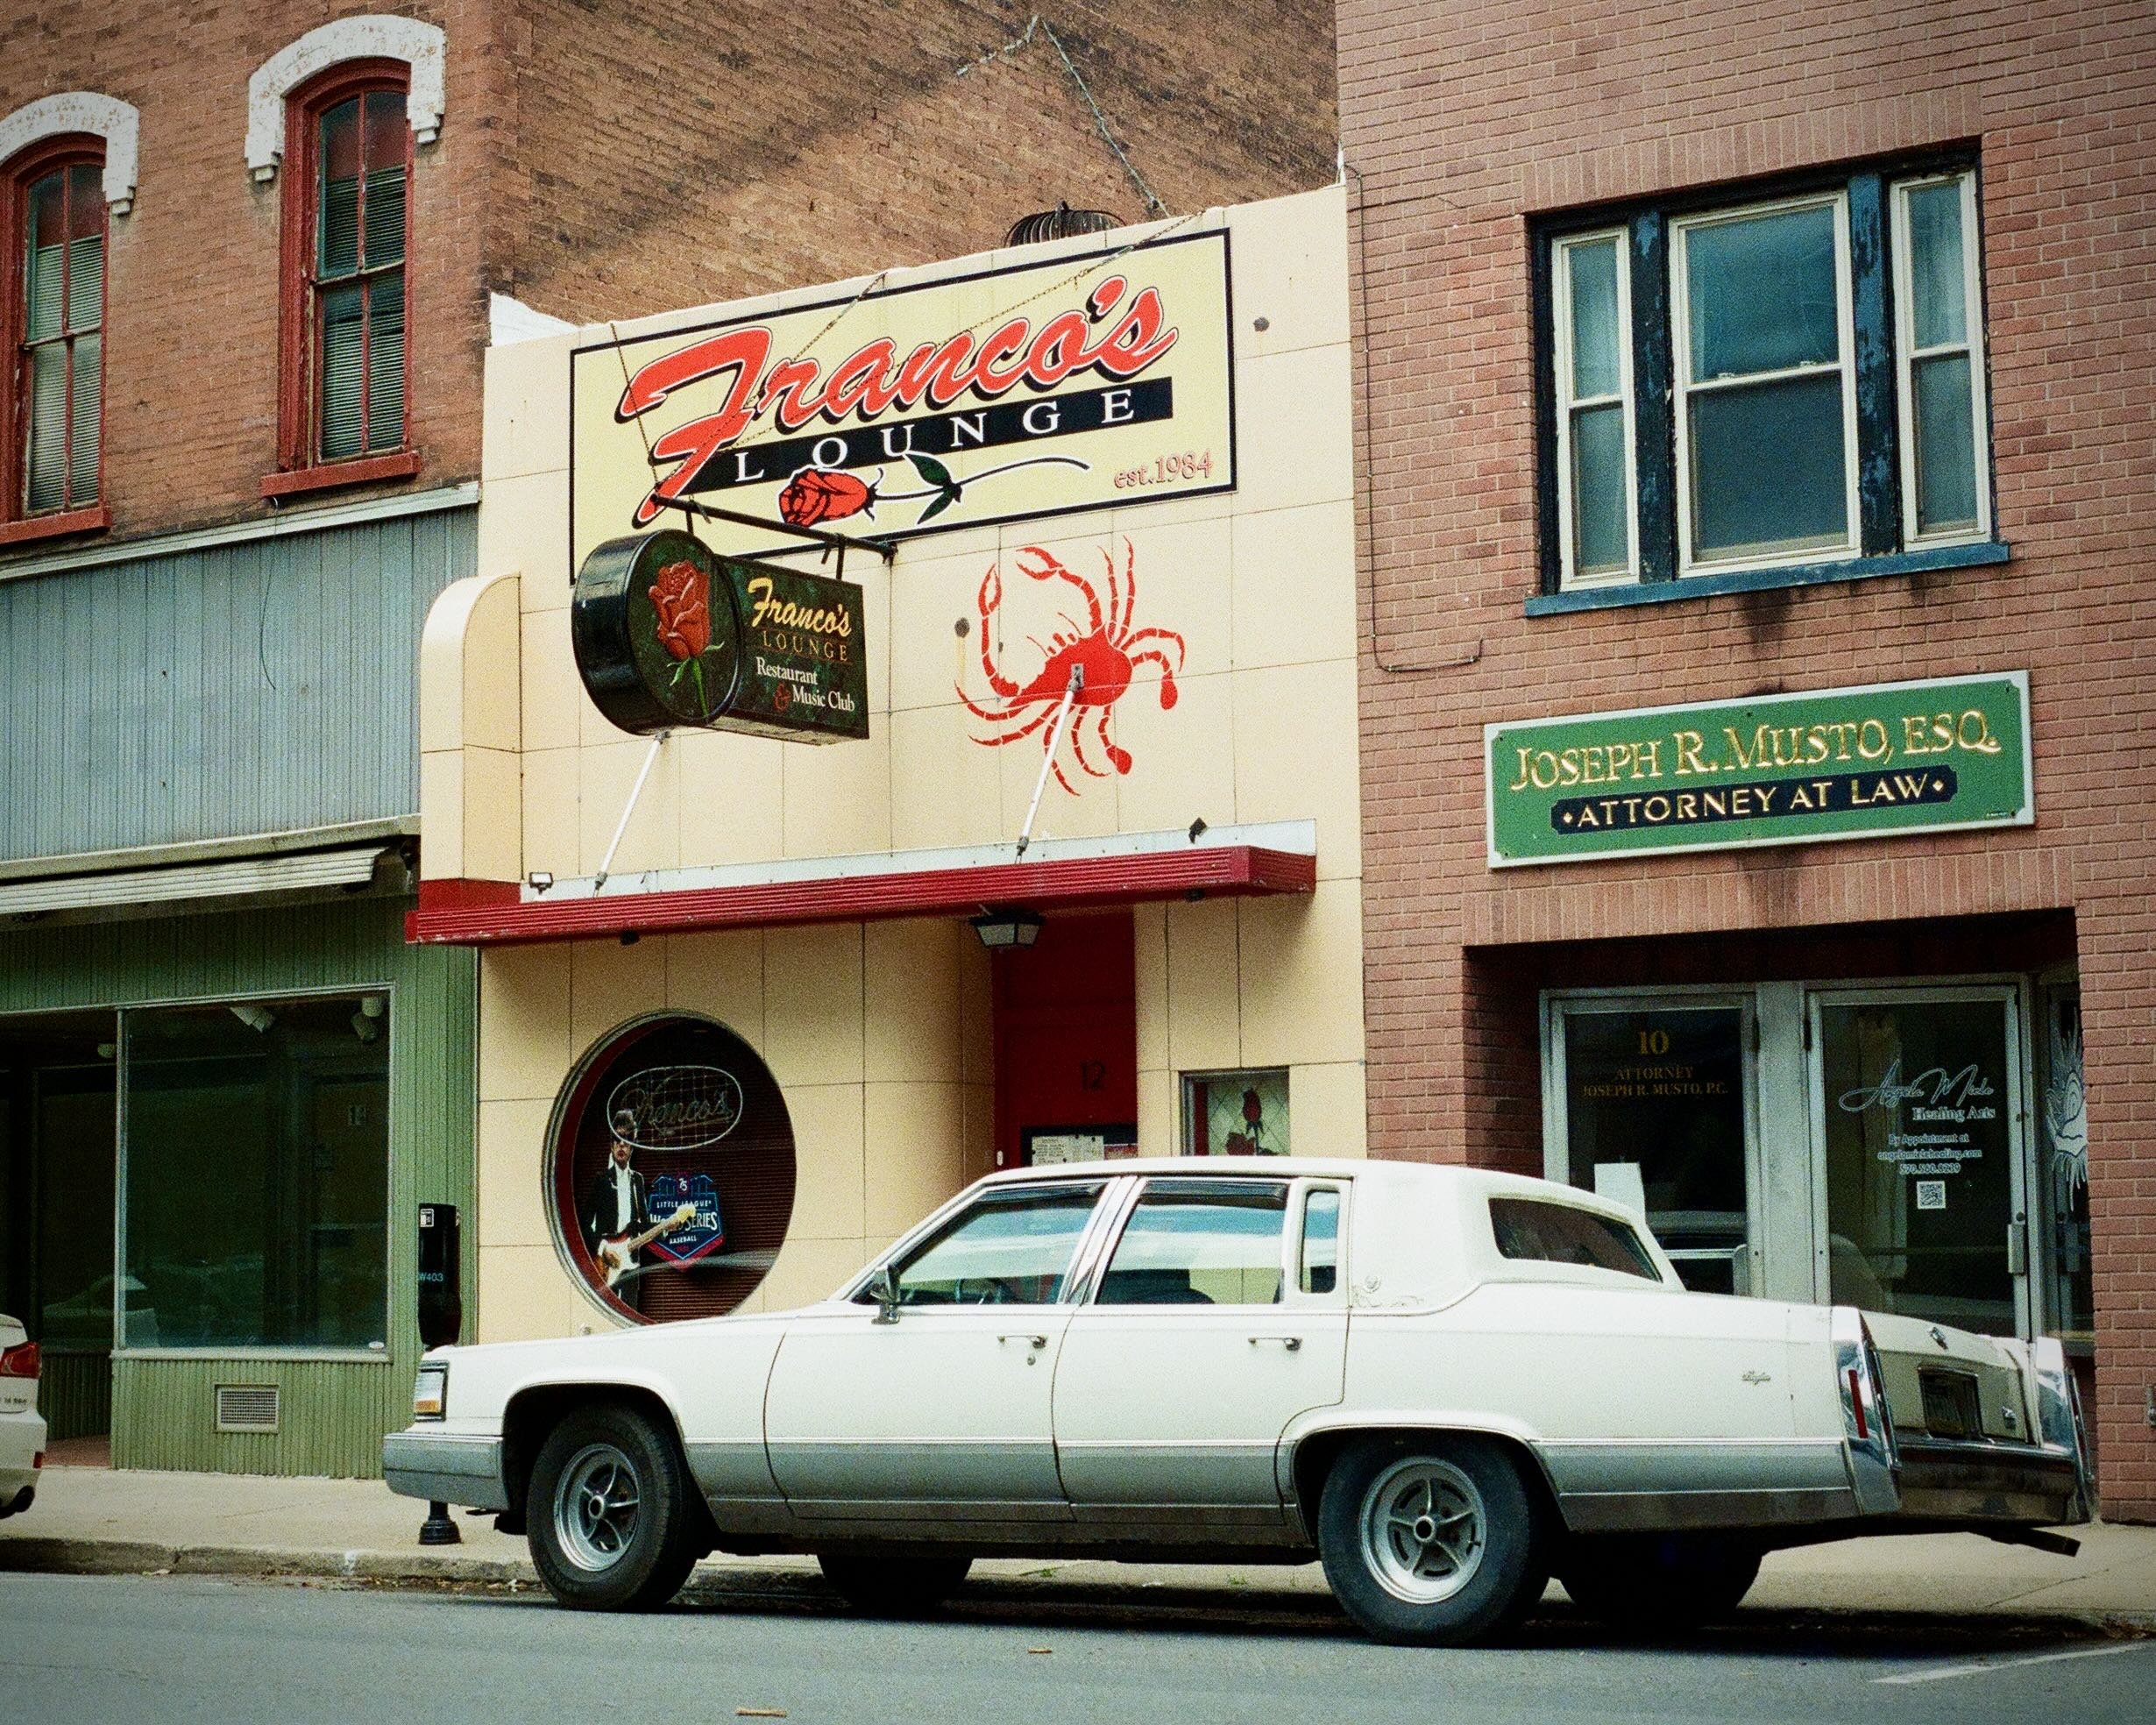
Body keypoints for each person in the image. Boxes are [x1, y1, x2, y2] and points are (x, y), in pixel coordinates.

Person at [583, 1114, 650, 1309]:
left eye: (626, 1141)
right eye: (617, 1141)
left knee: (630, 1313)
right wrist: (603, 1248)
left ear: (632, 1147)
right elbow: (584, 1223)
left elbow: (644, 1224)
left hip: (632, 1262)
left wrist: (668, 1226)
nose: (621, 1146)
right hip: (607, 1261)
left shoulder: (637, 1180)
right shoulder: (602, 1180)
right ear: (612, 1146)